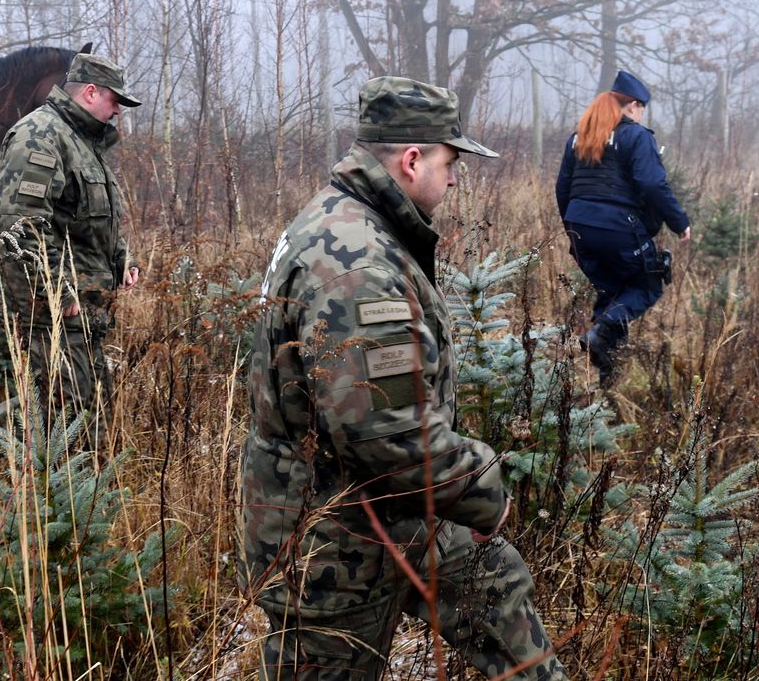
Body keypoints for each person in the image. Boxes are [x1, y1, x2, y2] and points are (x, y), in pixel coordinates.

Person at [242, 76, 566, 680]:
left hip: (389, 511)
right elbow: (386, 436)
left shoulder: (351, 223)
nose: (455, 176)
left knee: (497, 589)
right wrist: (485, 489)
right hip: (336, 538)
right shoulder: (358, 262)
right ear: (412, 160)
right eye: (451, 160)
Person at [0, 52, 141, 501]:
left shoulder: (85, 144)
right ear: (89, 92)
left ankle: (79, 503)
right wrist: (57, 290)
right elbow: (21, 225)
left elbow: (92, 219)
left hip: (85, 303)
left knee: (87, 403)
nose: (119, 109)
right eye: (115, 99)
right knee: (61, 407)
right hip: (47, 305)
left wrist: (122, 260)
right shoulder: (39, 135)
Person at [555, 70, 691, 385]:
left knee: (611, 291)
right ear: (631, 105)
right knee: (647, 285)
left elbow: (563, 189)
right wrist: (679, 222)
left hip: (579, 225)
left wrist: (573, 229)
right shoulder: (636, 136)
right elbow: (652, 183)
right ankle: (600, 337)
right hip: (617, 225)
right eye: (641, 108)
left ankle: (607, 376)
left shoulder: (579, 138)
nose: (641, 115)